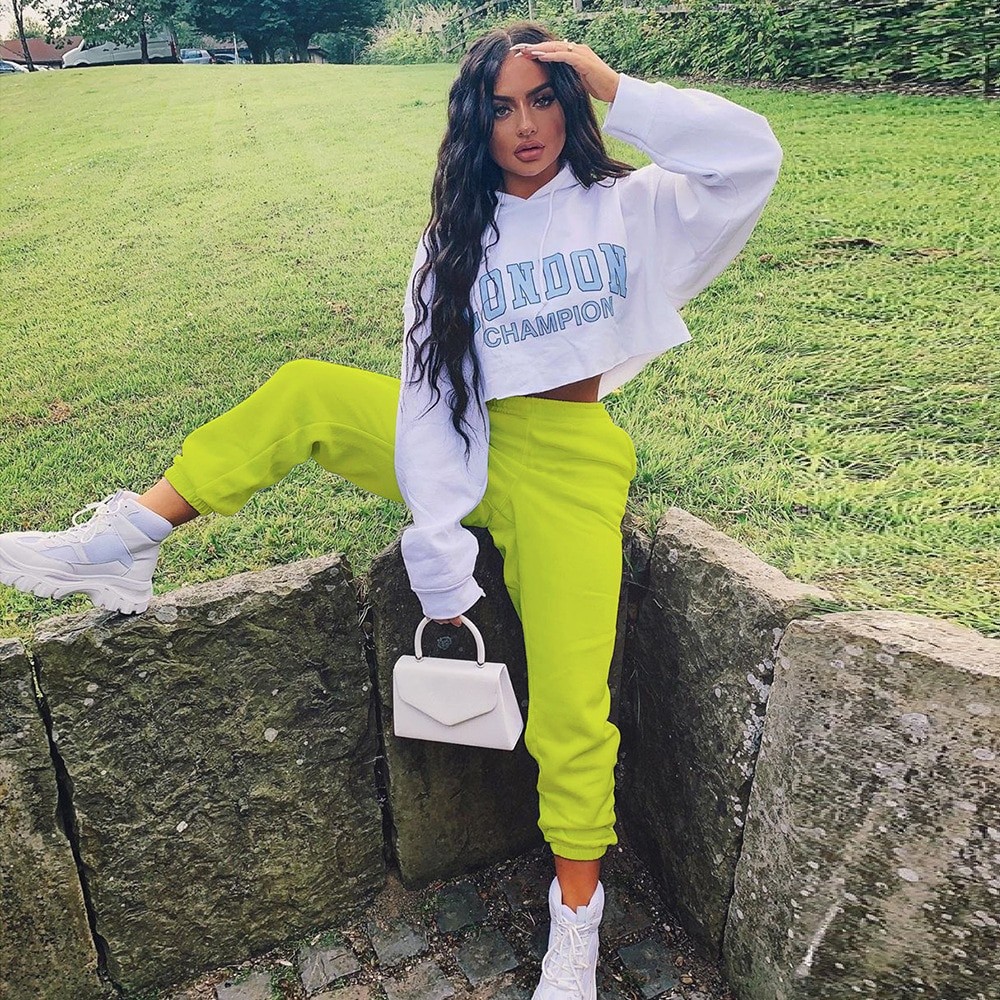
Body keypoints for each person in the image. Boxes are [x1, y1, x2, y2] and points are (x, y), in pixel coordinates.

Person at [0, 21, 782, 999]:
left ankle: (575, 925)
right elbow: (427, 393)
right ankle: (130, 538)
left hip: (570, 463)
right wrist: (440, 528)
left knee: (573, 712)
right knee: (307, 392)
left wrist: (613, 83)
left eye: (545, 99)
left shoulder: (630, 207)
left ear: (572, 105)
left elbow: (748, 156)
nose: (526, 125)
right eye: (502, 106)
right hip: (468, 436)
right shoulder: (454, 240)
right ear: (474, 123)